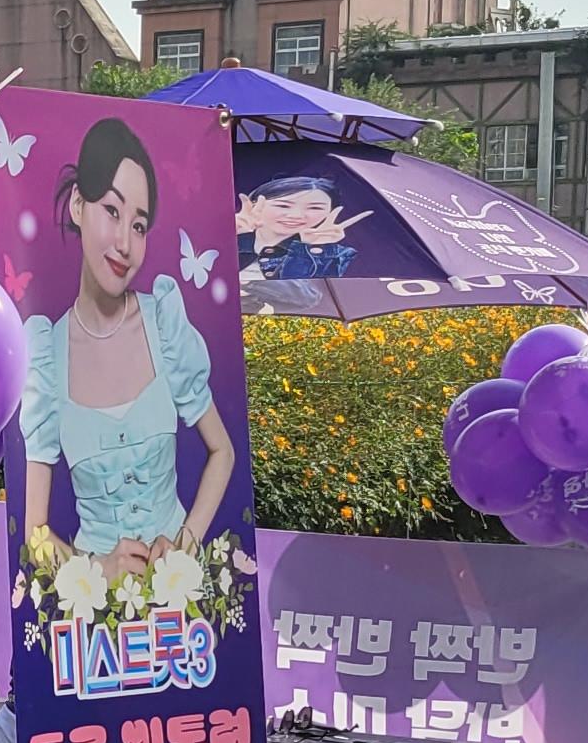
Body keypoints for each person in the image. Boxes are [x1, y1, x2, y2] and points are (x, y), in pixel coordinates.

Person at [19, 119, 237, 577]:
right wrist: (100, 569)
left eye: (139, 225)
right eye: (112, 211)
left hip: (181, 598)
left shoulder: (165, 325)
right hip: (93, 609)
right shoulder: (44, 356)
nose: (125, 244)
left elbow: (223, 452)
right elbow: (35, 535)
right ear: (78, 205)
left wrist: (185, 545)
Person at [236, 170, 366, 282]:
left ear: (330, 211)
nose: (296, 215)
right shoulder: (233, 239)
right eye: (283, 205)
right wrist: (228, 235)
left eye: (315, 208)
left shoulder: (337, 255)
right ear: (254, 204)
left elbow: (298, 295)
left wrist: (310, 249)